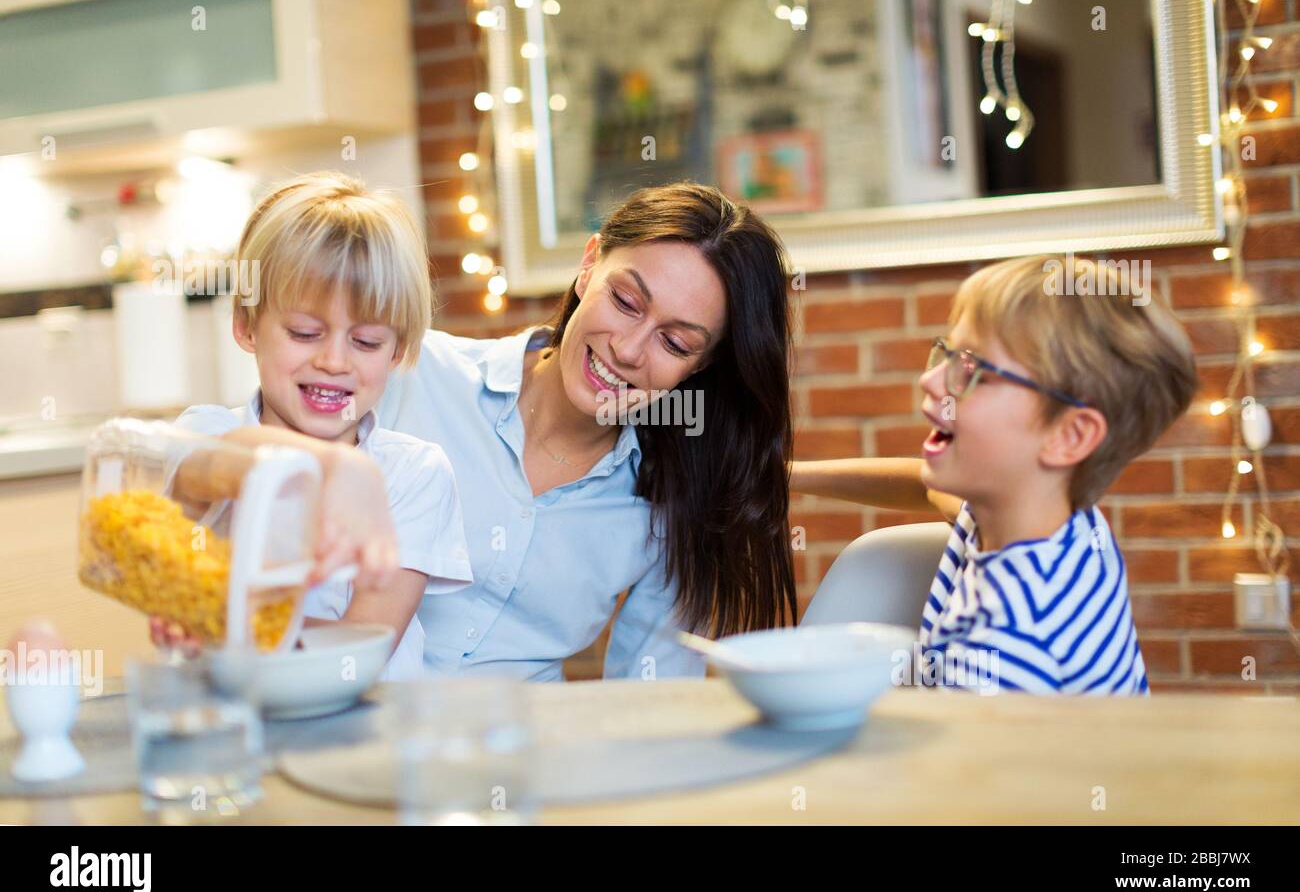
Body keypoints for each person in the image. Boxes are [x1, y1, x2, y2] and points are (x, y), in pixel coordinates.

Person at [373, 182, 799, 680]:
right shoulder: (410, 372)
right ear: (589, 263)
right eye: (624, 300)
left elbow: (649, 698)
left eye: (676, 343)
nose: (628, 349)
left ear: (701, 367)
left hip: (526, 750)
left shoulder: (676, 503)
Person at [793, 255, 1197, 694]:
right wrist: (784, 477)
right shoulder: (1044, 515)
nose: (930, 379)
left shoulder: (1012, 645)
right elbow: (925, 488)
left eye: (974, 370)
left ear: (1069, 434)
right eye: (946, 354)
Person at [162, 172, 472, 680]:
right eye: (305, 332)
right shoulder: (205, 433)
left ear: (399, 351)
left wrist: (231, 628)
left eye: (367, 341)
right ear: (246, 326)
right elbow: (199, 473)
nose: (333, 361)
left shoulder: (413, 473)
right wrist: (328, 466)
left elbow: (361, 648)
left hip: (367, 743)